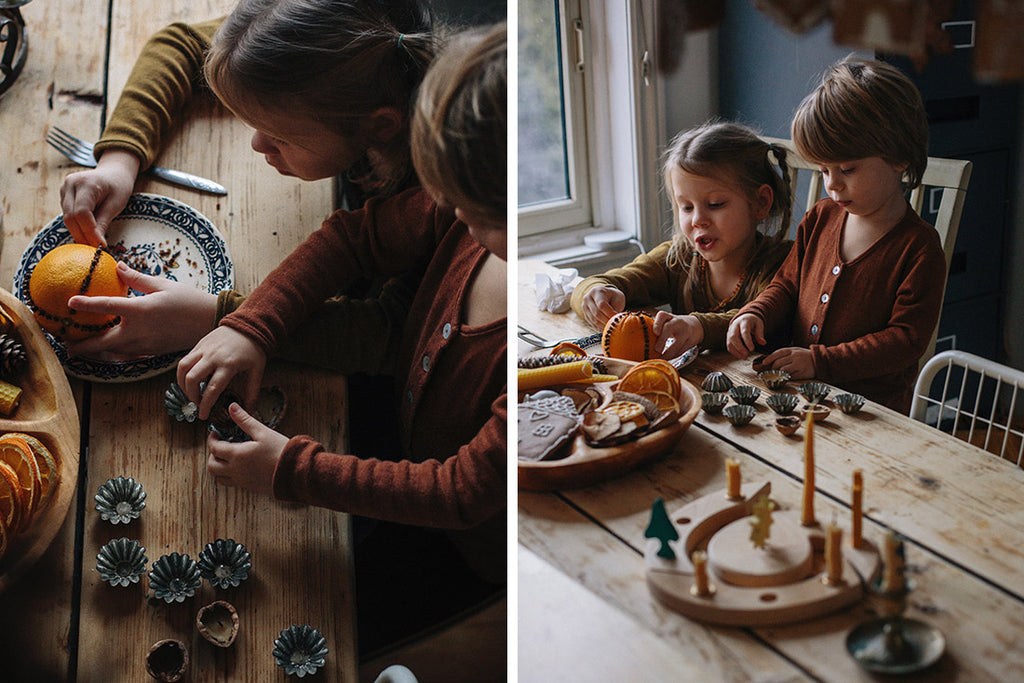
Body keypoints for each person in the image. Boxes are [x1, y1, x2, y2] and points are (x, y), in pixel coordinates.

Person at [179, 21, 507, 653]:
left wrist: (295, 470)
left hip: (463, 543)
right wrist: (253, 325)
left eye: (469, 211)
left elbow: (457, 493)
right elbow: (353, 238)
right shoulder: (464, 202)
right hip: (404, 429)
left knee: (341, 616)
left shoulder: (525, 356)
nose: (448, 214)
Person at [60, 0, 438, 364]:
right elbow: (181, 44)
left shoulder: (443, 198)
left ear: (380, 127)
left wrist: (215, 317)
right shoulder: (341, 47)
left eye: (282, 137)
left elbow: (395, 336)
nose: (257, 144)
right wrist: (119, 161)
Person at [726, 57, 946, 414]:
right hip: (804, 397)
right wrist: (755, 314)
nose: (831, 183)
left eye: (847, 168)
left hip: (873, 413)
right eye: (824, 169)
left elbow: (904, 340)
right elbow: (786, 285)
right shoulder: (820, 218)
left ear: (899, 158)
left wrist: (822, 361)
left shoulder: (919, 248)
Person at [570, 121, 795, 357]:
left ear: (760, 202)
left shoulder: (784, 263)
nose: (698, 219)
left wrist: (698, 328)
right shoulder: (680, 257)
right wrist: (596, 293)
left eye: (715, 204)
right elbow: (598, 282)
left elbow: (757, 319)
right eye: (686, 207)